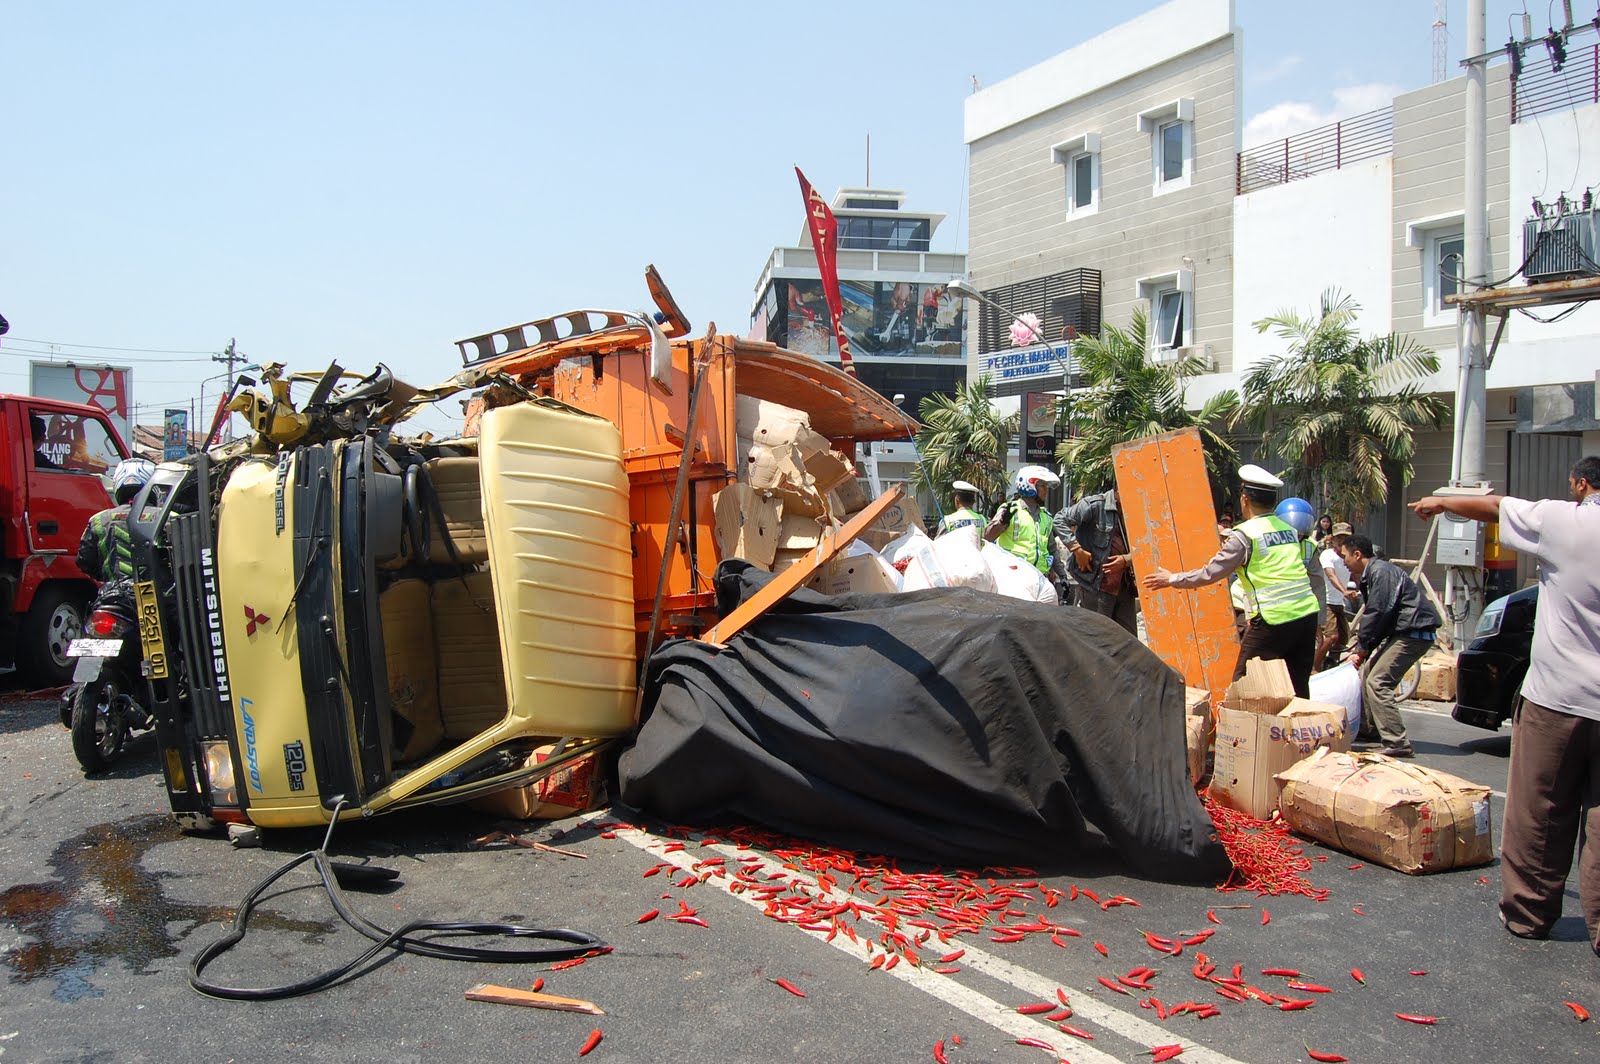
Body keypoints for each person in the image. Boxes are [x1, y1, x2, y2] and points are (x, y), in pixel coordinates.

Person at [1411, 456, 1600, 953]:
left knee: (1540, 809)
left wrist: (1440, 501)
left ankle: (1529, 913)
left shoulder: (1567, 521)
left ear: (1581, 485)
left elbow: (1493, 506)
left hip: (1559, 699)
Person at [1141, 464, 1321, 697]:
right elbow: (1280, 570)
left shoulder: (1245, 535)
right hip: (1307, 615)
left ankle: (1240, 733)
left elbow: (1211, 573)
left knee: (1243, 686)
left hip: (1273, 619)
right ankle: (1298, 731)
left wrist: (1172, 578)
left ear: (1244, 499)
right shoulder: (1287, 530)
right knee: (1298, 686)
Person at [1336, 533, 1440, 759]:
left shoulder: (1381, 572)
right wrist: (1363, 650)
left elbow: (1378, 612)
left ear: (1357, 554)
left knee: (1378, 681)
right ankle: (1370, 730)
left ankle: (1396, 741)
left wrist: (1362, 648)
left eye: (1344, 556)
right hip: (1403, 630)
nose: (1343, 561)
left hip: (1413, 633)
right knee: (1367, 673)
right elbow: (1381, 617)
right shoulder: (1372, 573)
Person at [1057, 485, 1138, 635]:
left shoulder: (1138, 509)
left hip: (1124, 587)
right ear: (1118, 490)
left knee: (1128, 640)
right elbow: (1060, 519)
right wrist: (1077, 550)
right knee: (1096, 638)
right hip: (1095, 586)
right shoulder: (1095, 505)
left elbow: (1150, 547)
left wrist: (1126, 560)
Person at [77, 458, 156, 584]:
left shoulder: (98, 520)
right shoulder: (169, 517)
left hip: (114, 596)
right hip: (160, 597)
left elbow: (84, 561)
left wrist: (109, 578)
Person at [985, 468, 1060, 577]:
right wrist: (1001, 523)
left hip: (1040, 576)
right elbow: (988, 537)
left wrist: (1061, 574)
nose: (1046, 491)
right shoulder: (1010, 509)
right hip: (1013, 576)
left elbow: (1052, 549)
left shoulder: (1046, 517)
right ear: (1030, 486)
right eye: (1042, 486)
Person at [1314, 521, 1359, 671]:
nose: (1342, 542)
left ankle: (1330, 665)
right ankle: (1313, 669)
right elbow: (1331, 575)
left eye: (1345, 538)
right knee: (1331, 637)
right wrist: (1344, 590)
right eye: (1339, 538)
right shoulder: (1328, 555)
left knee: (1343, 639)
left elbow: (1356, 575)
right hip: (1325, 601)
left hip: (1339, 603)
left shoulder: (1350, 557)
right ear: (1332, 539)